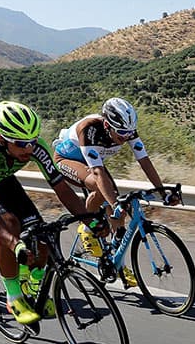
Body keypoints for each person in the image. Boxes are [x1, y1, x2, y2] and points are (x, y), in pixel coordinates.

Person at [0, 101, 99, 325]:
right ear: (2, 139)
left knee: (41, 234)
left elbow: (63, 190)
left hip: (2, 178)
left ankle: (32, 286)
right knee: (9, 226)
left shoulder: (35, 147)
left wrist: (90, 222)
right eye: (21, 144)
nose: (29, 149)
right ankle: (14, 297)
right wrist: (13, 243)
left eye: (32, 141)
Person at [52, 97, 178, 287]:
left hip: (93, 162)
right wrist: (114, 203)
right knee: (101, 187)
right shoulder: (91, 129)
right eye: (121, 133)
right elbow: (97, 172)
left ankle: (117, 264)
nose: (125, 137)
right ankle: (87, 229)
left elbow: (144, 161)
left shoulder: (128, 131)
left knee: (118, 216)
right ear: (106, 124)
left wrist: (162, 191)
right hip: (67, 159)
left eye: (129, 133)